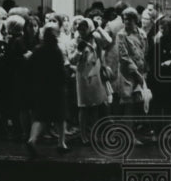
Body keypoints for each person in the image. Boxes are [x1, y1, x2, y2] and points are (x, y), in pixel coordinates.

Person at [25, 24, 68, 156]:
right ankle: (61, 143)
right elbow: (61, 71)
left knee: (40, 116)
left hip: (40, 87)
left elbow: (29, 65)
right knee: (60, 116)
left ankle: (32, 139)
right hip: (55, 88)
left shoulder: (38, 49)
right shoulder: (56, 50)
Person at [70, 16, 112, 145]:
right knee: (83, 107)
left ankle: (94, 133)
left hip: (96, 75)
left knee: (95, 105)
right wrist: (78, 50)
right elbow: (72, 60)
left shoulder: (95, 39)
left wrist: (98, 28)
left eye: (84, 29)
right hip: (83, 76)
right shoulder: (75, 41)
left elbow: (108, 41)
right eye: (80, 29)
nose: (82, 32)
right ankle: (83, 134)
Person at [115, 8, 150, 143]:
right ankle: (129, 136)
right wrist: (136, 73)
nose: (126, 22)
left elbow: (144, 52)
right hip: (127, 74)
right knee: (128, 106)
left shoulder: (142, 34)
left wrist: (143, 72)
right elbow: (124, 56)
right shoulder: (121, 35)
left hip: (140, 73)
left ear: (135, 20)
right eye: (125, 19)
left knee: (137, 104)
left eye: (129, 19)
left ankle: (131, 133)